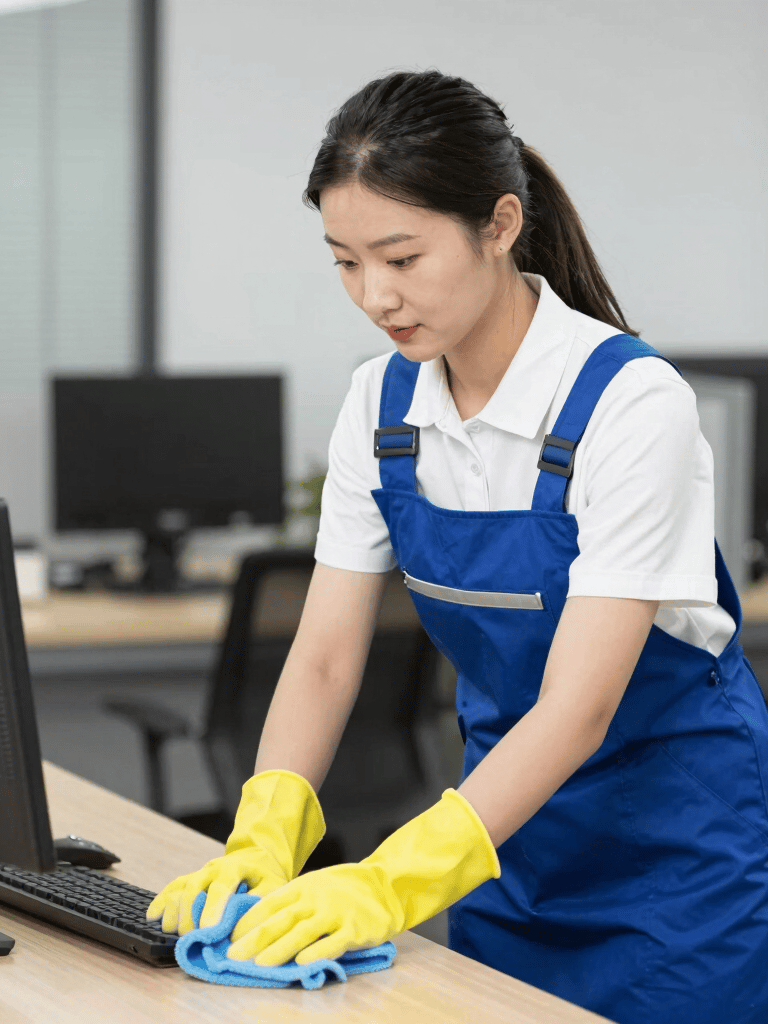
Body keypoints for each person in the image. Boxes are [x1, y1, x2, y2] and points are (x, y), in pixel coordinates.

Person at [147, 69, 768, 1023]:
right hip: (501, 849)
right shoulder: (381, 405)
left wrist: (391, 882)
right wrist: (261, 837)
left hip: (674, 863)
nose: (375, 297)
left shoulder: (632, 404)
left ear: (501, 224)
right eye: (346, 262)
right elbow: (319, 661)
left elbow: (580, 703)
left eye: (401, 257)